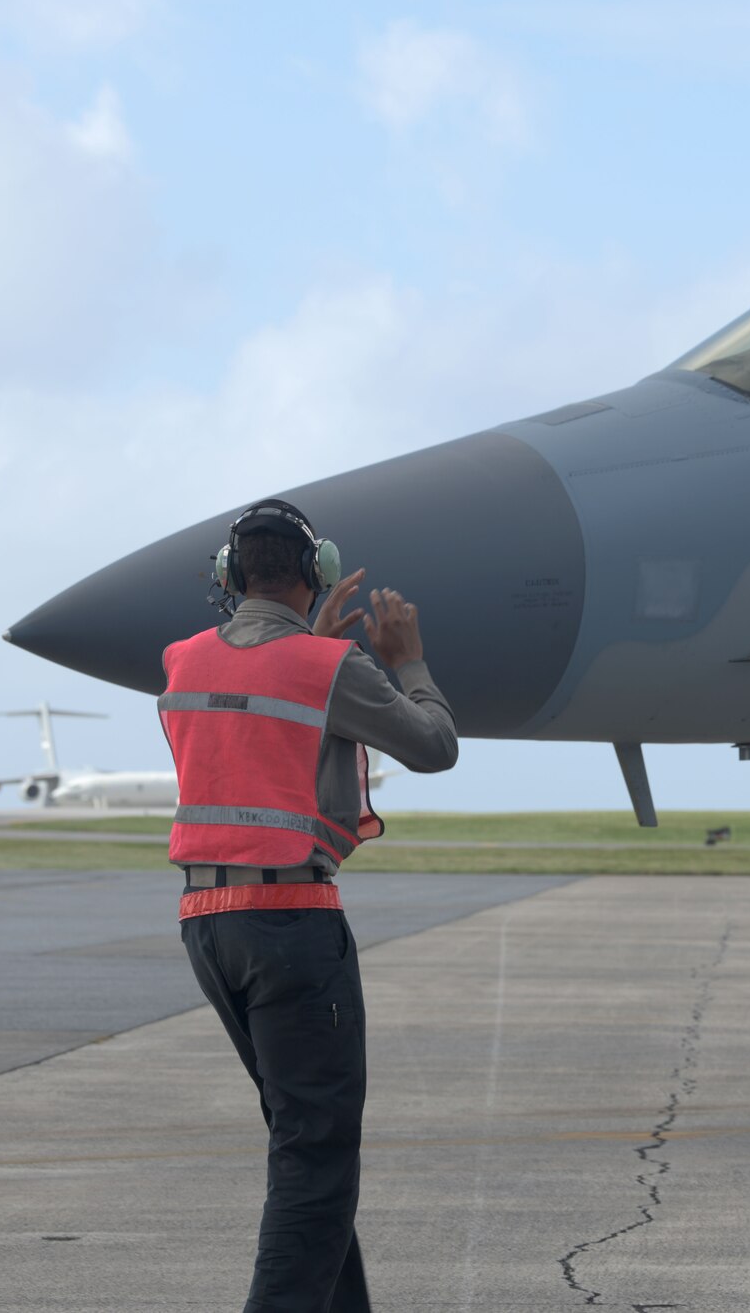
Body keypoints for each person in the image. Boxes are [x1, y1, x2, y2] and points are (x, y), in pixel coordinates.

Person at [160, 497, 458, 1313]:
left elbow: (257, 718)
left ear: (230, 575)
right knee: (316, 1161)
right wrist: (409, 663)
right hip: (291, 924)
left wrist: (317, 647)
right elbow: (434, 746)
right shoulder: (330, 668)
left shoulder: (183, 660)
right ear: (316, 572)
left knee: (305, 1145)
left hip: (207, 925)